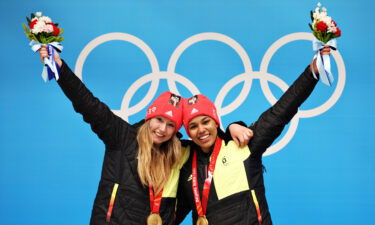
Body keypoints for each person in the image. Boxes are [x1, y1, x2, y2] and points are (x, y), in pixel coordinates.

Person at [37, 46, 252, 225]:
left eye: (170, 125)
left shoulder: (182, 152)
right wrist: (60, 68)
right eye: (159, 120)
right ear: (149, 117)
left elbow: (209, 141)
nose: (162, 129)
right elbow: (86, 103)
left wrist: (234, 126)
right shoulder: (121, 136)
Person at [175, 47, 332, 225]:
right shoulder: (186, 163)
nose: (201, 130)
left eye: (205, 122)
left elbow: (279, 113)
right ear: (188, 132)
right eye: (193, 126)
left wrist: (311, 73)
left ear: (215, 122)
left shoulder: (242, 143)